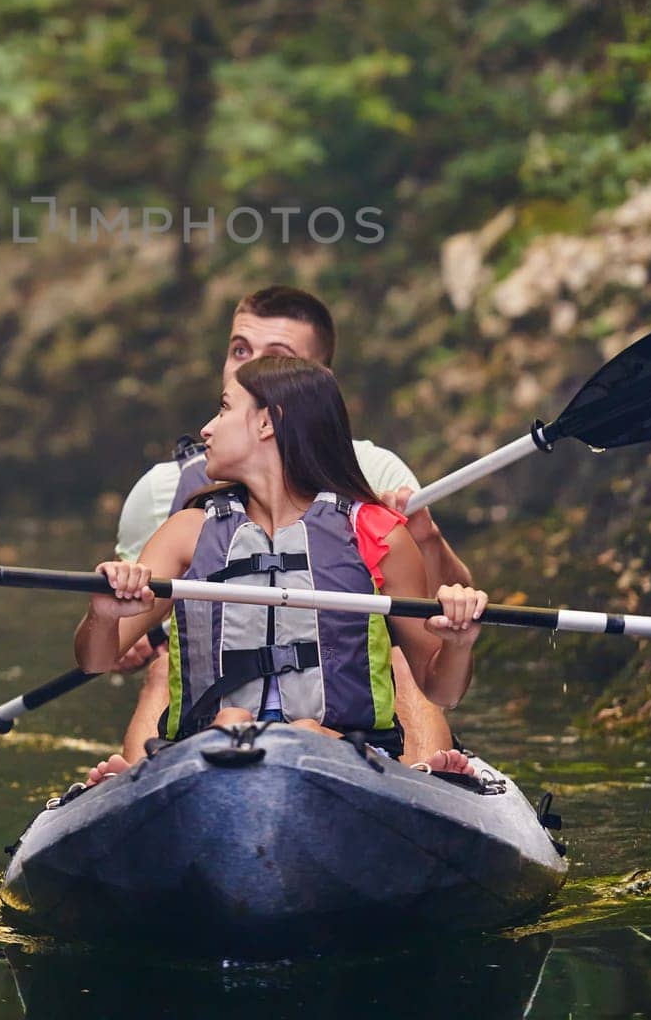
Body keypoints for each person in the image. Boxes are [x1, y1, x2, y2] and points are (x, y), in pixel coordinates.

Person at [95, 285, 474, 778]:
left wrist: (428, 543)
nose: (243, 367)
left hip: (347, 697)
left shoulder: (376, 486)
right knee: (177, 678)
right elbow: (110, 650)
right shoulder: (170, 501)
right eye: (238, 351)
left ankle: (422, 775)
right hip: (209, 696)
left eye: (273, 358)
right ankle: (136, 780)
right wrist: (112, 618)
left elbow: (435, 649)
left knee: (393, 667)